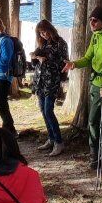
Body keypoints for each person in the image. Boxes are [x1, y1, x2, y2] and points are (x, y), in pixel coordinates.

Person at [64, 6, 102, 168]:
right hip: (95, 85)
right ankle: (101, 154)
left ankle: (99, 155)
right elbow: (88, 58)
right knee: (99, 120)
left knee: (98, 121)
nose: (92, 23)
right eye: (90, 20)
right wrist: (74, 64)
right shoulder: (95, 37)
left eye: (95, 20)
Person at [30, 19, 68, 156]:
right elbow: (34, 64)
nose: (44, 35)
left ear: (50, 29)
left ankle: (59, 142)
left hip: (52, 81)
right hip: (40, 81)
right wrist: (35, 58)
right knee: (43, 110)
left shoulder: (60, 43)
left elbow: (64, 64)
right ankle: (51, 138)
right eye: (40, 33)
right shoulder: (42, 43)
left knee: (48, 110)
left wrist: (47, 60)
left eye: (45, 31)